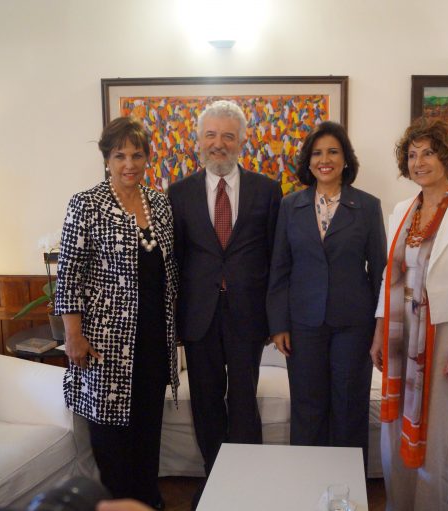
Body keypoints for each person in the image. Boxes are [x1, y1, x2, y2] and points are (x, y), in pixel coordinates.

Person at [369, 118, 448, 510]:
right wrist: (378, 329)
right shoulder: (402, 209)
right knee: (393, 431)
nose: (419, 161)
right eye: (412, 154)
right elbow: (390, 274)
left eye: (428, 152)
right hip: (398, 332)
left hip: (445, 333)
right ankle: (397, 504)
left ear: (447, 156)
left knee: (437, 434)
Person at [55, 116, 179, 510]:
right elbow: (69, 273)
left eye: (137, 154)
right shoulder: (86, 203)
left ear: (147, 158)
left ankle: (148, 501)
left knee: (147, 432)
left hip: (153, 341)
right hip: (105, 345)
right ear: (106, 158)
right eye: (120, 155)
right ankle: (117, 505)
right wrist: (73, 335)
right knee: (110, 438)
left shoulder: (158, 203)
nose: (130, 163)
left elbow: (168, 269)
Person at [167, 100, 282, 480]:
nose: (219, 143)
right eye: (211, 135)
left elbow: (275, 257)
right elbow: (177, 259)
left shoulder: (267, 190)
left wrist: (275, 316)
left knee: (245, 400)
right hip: (199, 315)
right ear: (199, 140)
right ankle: (217, 477)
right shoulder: (178, 193)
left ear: (242, 142)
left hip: (248, 313)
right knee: (205, 400)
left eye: (228, 136)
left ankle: (248, 478)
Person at [267, 121, 387, 468]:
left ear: (345, 159)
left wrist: (380, 328)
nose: (325, 159)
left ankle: (348, 491)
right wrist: (278, 325)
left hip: (353, 323)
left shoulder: (366, 206)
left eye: (333, 151)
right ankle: (307, 484)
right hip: (303, 323)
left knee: (349, 406)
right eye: (318, 153)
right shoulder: (291, 205)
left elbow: (380, 271)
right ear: (308, 161)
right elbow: (280, 268)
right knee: (307, 406)